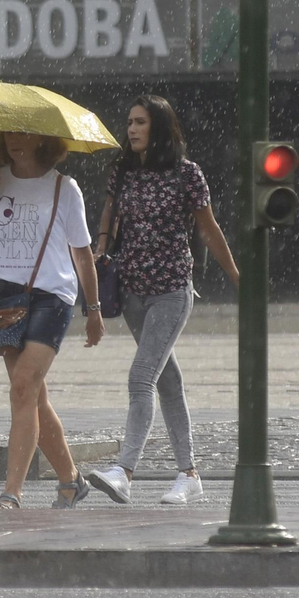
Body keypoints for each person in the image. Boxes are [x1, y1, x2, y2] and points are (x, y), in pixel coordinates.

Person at [85, 94, 239, 506]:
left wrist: (238, 276)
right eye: (130, 122)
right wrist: (102, 244)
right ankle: (189, 474)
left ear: (158, 127)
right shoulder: (123, 172)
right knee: (168, 381)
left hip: (172, 290)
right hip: (133, 293)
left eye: (140, 122)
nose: (132, 129)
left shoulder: (187, 174)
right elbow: (109, 211)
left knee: (141, 378)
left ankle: (124, 471)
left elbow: (209, 229)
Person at [0, 131, 103, 509]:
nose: (14, 141)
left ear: (43, 138)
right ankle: (72, 480)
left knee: (23, 387)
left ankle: (12, 492)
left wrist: (94, 309)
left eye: (24, 133)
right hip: (5, 296)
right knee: (33, 397)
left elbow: (83, 253)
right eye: (8, 133)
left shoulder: (64, 188)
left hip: (52, 296)